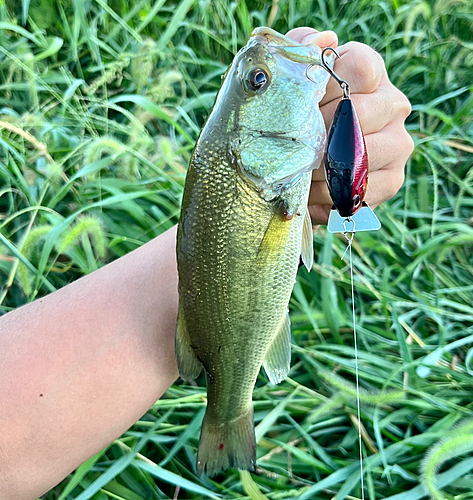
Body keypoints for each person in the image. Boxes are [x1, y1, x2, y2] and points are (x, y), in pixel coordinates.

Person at [0, 28, 413, 499]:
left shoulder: (255, 173)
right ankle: (229, 414)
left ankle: (228, 415)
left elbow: (222, 242)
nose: (267, 71)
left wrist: (322, 193)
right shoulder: (250, 174)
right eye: (259, 81)